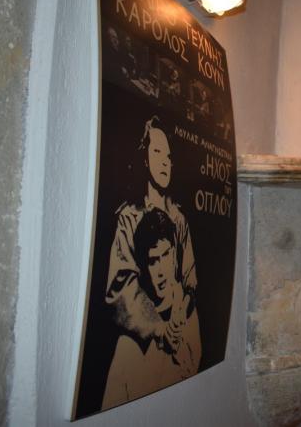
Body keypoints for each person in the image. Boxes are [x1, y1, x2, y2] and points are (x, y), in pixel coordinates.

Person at [106, 116, 197, 358]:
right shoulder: (128, 218)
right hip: (143, 346)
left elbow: (189, 279)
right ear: (145, 158)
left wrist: (181, 312)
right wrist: (159, 328)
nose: (165, 161)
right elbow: (121, 285)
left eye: (168, 156)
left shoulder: (178, 219)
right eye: (157, 152)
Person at [102, 208, 201, 409]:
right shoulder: (127, 348)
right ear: (143, 266)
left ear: (174, 256)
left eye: (166, 255)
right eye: (153, 261)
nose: (161, 270)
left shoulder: (187, 316)